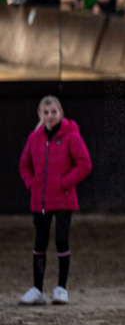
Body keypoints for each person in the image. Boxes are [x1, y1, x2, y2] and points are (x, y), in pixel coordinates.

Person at [17, 96, 92, 305]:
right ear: (40, 115)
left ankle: (61, 289)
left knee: (61, 241)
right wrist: (32, 183)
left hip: (63, 200)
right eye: (46, 112)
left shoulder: (71, 137)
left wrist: (64, 182)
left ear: (61, 113)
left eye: (53, 112)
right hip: (40, 201)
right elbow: (24, 164)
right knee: (39, 243)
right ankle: (37, 290)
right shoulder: (34, 138)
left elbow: (84, 164)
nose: (50, 116)